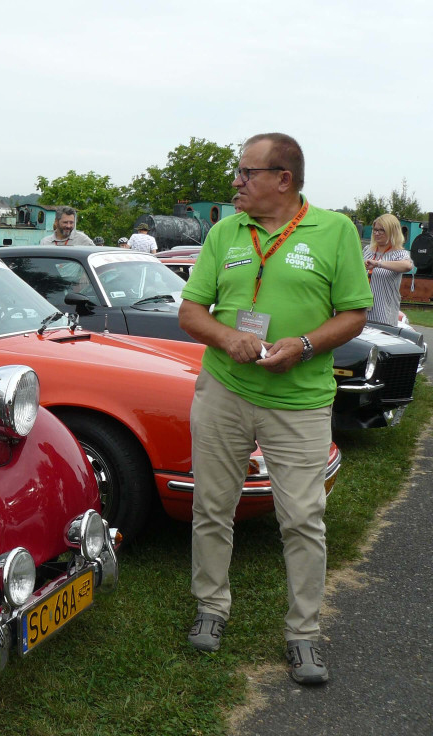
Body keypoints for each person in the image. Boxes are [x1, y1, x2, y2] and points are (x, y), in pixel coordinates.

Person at [178, 133, 372, 685]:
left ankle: (304, 635)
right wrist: (226, 338)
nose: (237, 183)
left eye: (247, 173)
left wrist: (304, 345)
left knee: (303, 520)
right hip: (224, 393)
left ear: (283, 179)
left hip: (301, 402)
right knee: (213, 507)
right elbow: (192, 312)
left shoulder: (334, 231)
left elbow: (354, 313)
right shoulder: (224, 231)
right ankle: (211, 609)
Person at [364, 213, 413, 325]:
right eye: (375, 230)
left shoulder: (399, 254)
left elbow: (407, 266)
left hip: (384, 312)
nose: (376, 233)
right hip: (362, 309)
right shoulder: (368, 250)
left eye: (381, 230)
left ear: (392, 231)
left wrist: (378, 264)